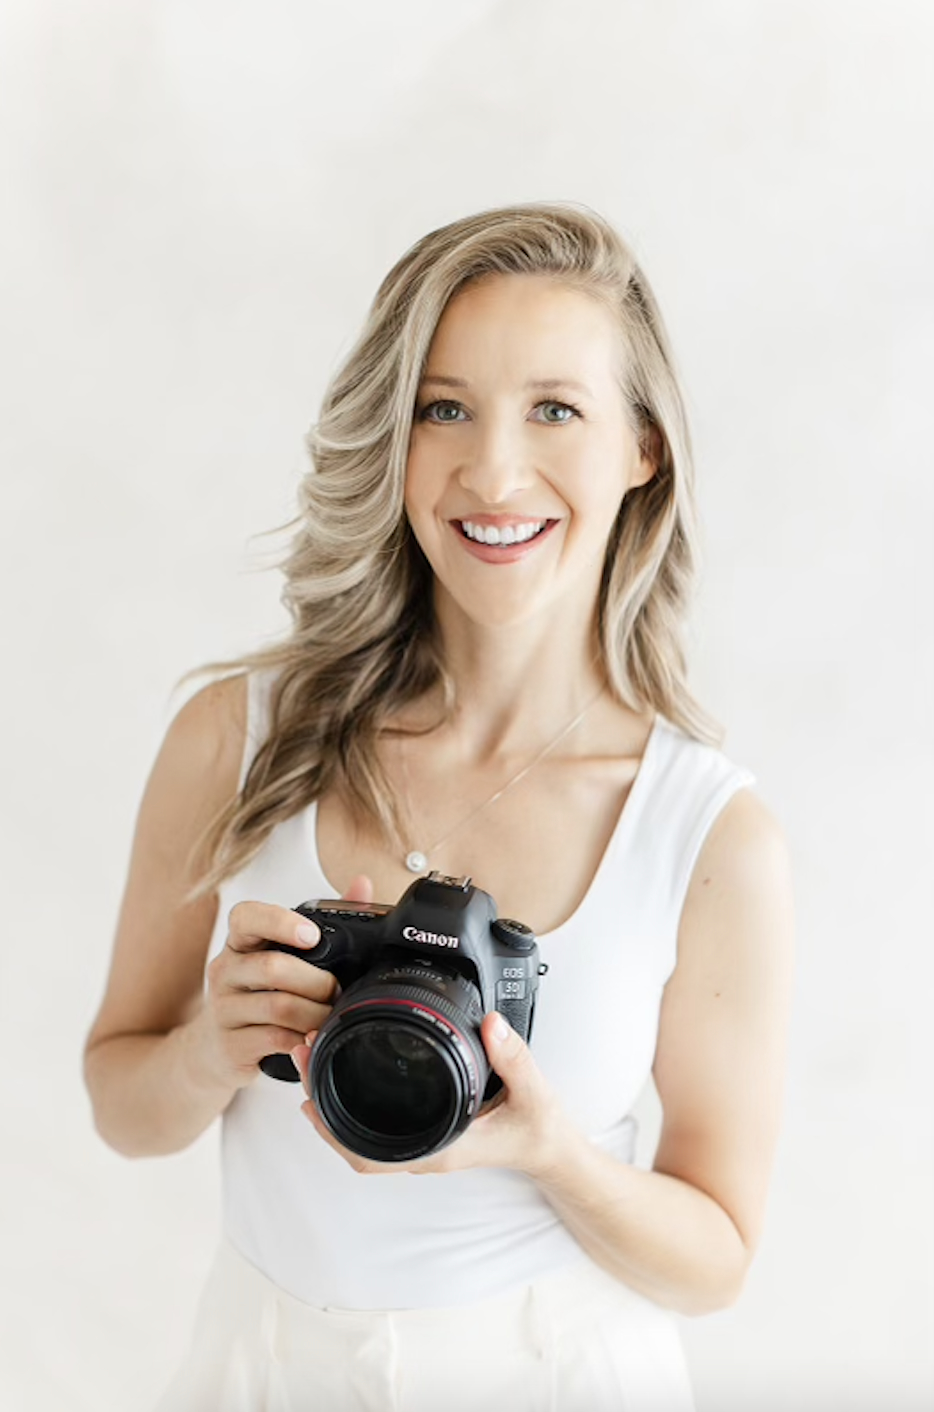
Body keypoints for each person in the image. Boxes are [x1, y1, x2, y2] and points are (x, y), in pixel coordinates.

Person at [83, 203, 794, 1412]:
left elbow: (715, 1257)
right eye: (443, 406)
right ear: (391, 436)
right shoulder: (238, 737)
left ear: (642, 447)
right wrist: (212, 1044)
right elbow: (122, 1102)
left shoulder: (702, 832)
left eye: (555, 409)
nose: (493, 472)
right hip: (260, 1369)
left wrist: (550, 1149)